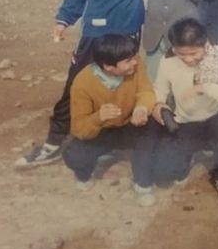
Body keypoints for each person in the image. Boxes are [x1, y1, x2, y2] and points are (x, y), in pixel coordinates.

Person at [15, 0, 166, 168]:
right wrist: (64, 19)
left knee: (125, 86)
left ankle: (112, 140)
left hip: (128, 32)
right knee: (75, 85)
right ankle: (52, 144)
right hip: (96, 32)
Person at [148, 17, 218, 206]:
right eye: (181, 54)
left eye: (193, 53)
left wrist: (205, 88)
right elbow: (159, 89)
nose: (188, 59)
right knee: (163, 174)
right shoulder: (168, 60)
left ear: (205, 44)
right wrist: (158, 105)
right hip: (185, 123)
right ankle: (190, 155)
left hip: (217, 122)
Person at [62, 34, 158, 206]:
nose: (135, 62)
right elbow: (78, 128)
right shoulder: (83, 82)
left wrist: (142, 108)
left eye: (133, 57)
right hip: (100, 132)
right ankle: (85, 173)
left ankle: (142, 183)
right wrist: (97, 118)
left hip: (129, 124)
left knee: (152, 128)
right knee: (75, 156)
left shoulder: (135, 65)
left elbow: (146, 91)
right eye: (128, 61)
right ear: (108, 66)